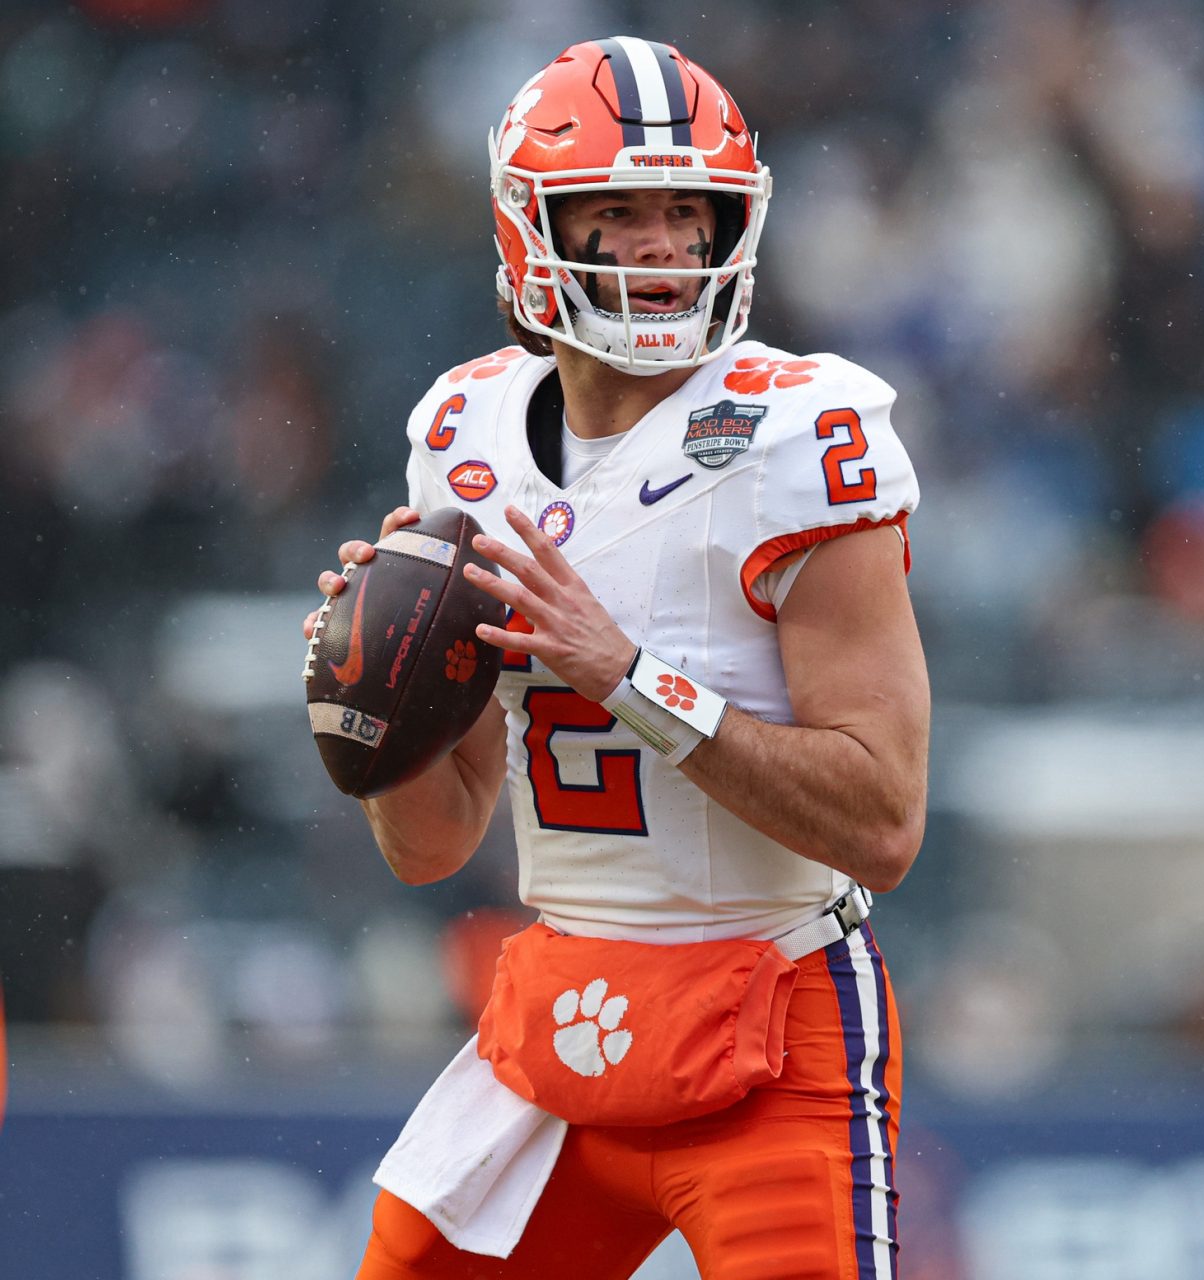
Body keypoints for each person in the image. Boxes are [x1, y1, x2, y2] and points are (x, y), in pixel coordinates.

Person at [302, 37, 927, 1279]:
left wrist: (632, 678)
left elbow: (885, 819)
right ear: (536, 230)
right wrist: (368, 698)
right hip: (564, 1017)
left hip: (773, 1017)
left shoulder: (805, 431)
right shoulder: (463, 432)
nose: (661, 249)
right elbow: (432, 845)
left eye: (688, 215)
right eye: (620, 213)